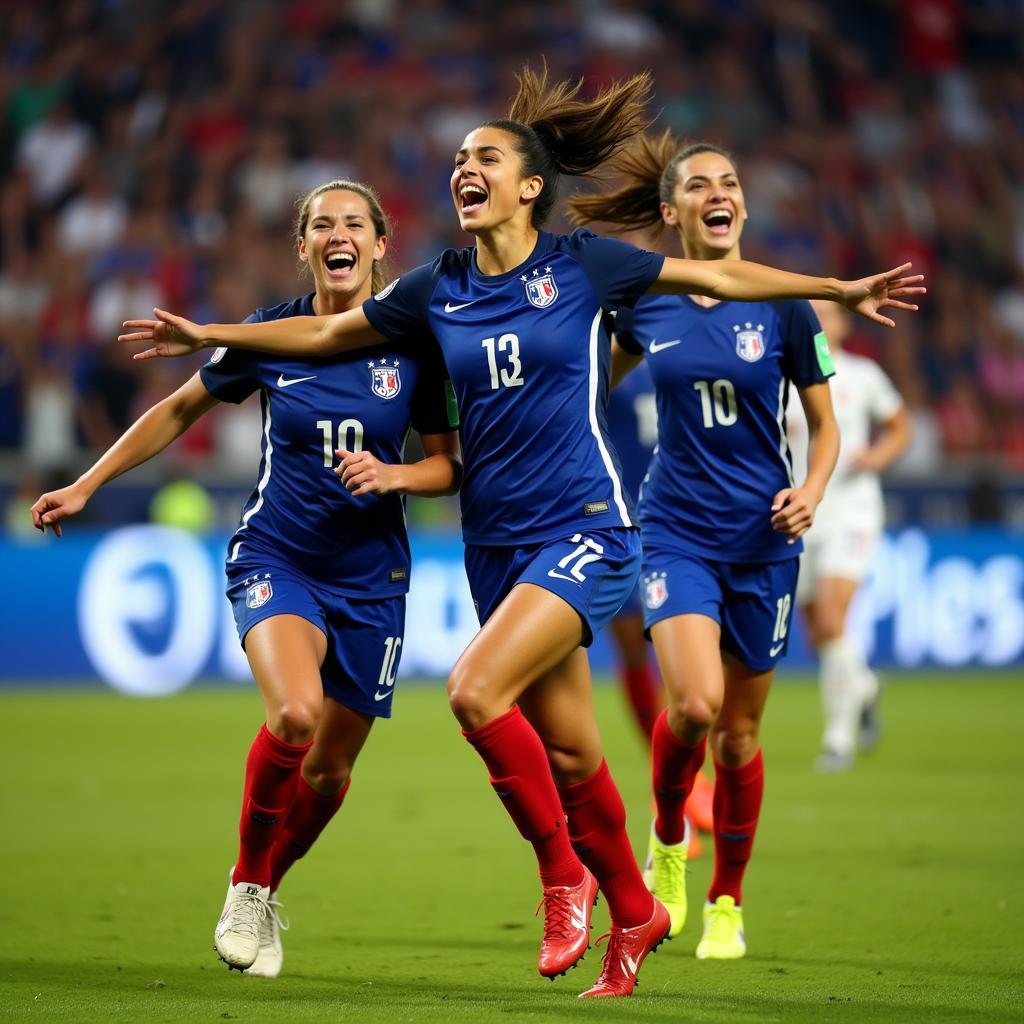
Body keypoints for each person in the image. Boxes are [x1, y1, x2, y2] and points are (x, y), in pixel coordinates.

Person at [119, 67, 922, 997]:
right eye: (459, 159)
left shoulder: (585, 264)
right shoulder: (434, 288)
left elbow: (717, 274)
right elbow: (331, 339)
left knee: (472, 692)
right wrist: (210, 334)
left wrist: (838, 287)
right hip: (494, 547)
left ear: (530, 186)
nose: (465, 168)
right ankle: (637, 910)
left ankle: (563, 883)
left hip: (586, 528)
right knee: (574, 751)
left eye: (486, 158)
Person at [31, 179, 461, 978]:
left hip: (375, 580)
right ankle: (249, 887)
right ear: (303, 247)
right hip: (280, 558)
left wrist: (397, 478)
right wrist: (88, 484)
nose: (338, 235)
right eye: (321, 225)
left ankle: (258, 884)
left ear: (378, 244)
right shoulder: (268, 332)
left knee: (330, 772)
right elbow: (179, 409)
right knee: (295, 716)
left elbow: (449, 465)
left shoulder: (414, 344)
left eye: (353, 224)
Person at [567, 130, 910, 961]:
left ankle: (729, 898)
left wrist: (813, 489)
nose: (718, 194)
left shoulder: (785, 304)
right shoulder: (644, 303)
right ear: (672, 209)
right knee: (692, 704)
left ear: (742, 207)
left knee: (741, 736)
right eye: (700, 185)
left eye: (730, 182)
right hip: (677, 531)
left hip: (766, 539)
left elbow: (826, 426)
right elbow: (581, 388)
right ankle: (671, 845)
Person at [787, 299, 910, 772]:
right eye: (812, 314)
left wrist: (878, 458)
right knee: (819, 631)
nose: (820, 321)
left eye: (828, 314)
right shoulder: (783, 377)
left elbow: (900, 426)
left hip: (852, 513)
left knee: (835, 619)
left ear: (842, 323)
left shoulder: (862, 375)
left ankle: (838, 739)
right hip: (802, 515)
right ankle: (863, 685)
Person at [603, 359, 714, 852]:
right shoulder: (608, 351)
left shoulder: (682, 346)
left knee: (680, 669)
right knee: (634, 659)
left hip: (675, 522)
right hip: (617, 521)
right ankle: (671, 776)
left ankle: (683, 790)